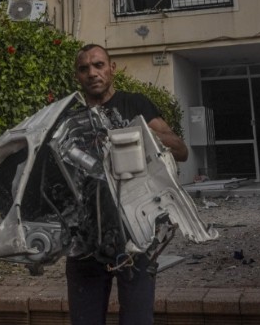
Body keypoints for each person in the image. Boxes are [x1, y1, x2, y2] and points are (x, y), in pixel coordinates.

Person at [66, 43, 187, 325]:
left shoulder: (135, 104)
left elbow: (180, 150)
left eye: (98, 65)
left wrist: (134, 135)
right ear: (77, 76)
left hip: (136, 234)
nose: (92, 73)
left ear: (112, 69)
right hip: (84, 240)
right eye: (84, 69)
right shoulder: (69, 117)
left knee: (137, 319)